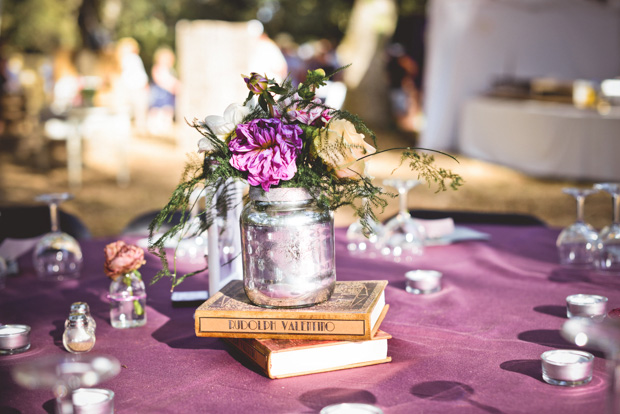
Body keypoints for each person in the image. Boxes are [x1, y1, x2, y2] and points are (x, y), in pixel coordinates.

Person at [116, 37, 149, 134]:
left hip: (132, 87)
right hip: (136, 87)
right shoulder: (133, 58)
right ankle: (140, 128)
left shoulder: (123, 59)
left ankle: (134, 128)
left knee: (128, 111)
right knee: (139, 111)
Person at [147, 46, 179, 136]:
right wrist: (172, 87)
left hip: (168, 96)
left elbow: (173, 80)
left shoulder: (171, 70)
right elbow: (160, 80)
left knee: (167, 112)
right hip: (159, 95)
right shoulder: (157, 68)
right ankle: (153, 129)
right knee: (155, 112)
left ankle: (164, 129)